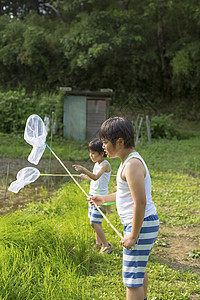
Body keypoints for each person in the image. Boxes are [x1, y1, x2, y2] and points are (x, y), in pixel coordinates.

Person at [88, 117, 159, 300]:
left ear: (119, 142)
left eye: (105, 142)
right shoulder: (126, 162)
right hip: (142, 226)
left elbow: (140, 202)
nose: (103, 147)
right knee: (138, 271)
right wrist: (103, 198)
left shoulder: (132, 165)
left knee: (131, 281)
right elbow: (125, 195)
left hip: (141, 227)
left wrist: (133, 235)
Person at [73, 138, 114, 254]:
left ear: (102, 153)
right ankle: (98, 243)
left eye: (93, 153)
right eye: (90, 153)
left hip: (100, 197)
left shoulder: (105, 164)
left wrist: (84, 169)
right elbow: (94, 178)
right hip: (92, 195)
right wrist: (84, 176)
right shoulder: (97, 164)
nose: (91, 156)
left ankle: (107, 245)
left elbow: (96, 177)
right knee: (95, 221)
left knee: (94, 222)